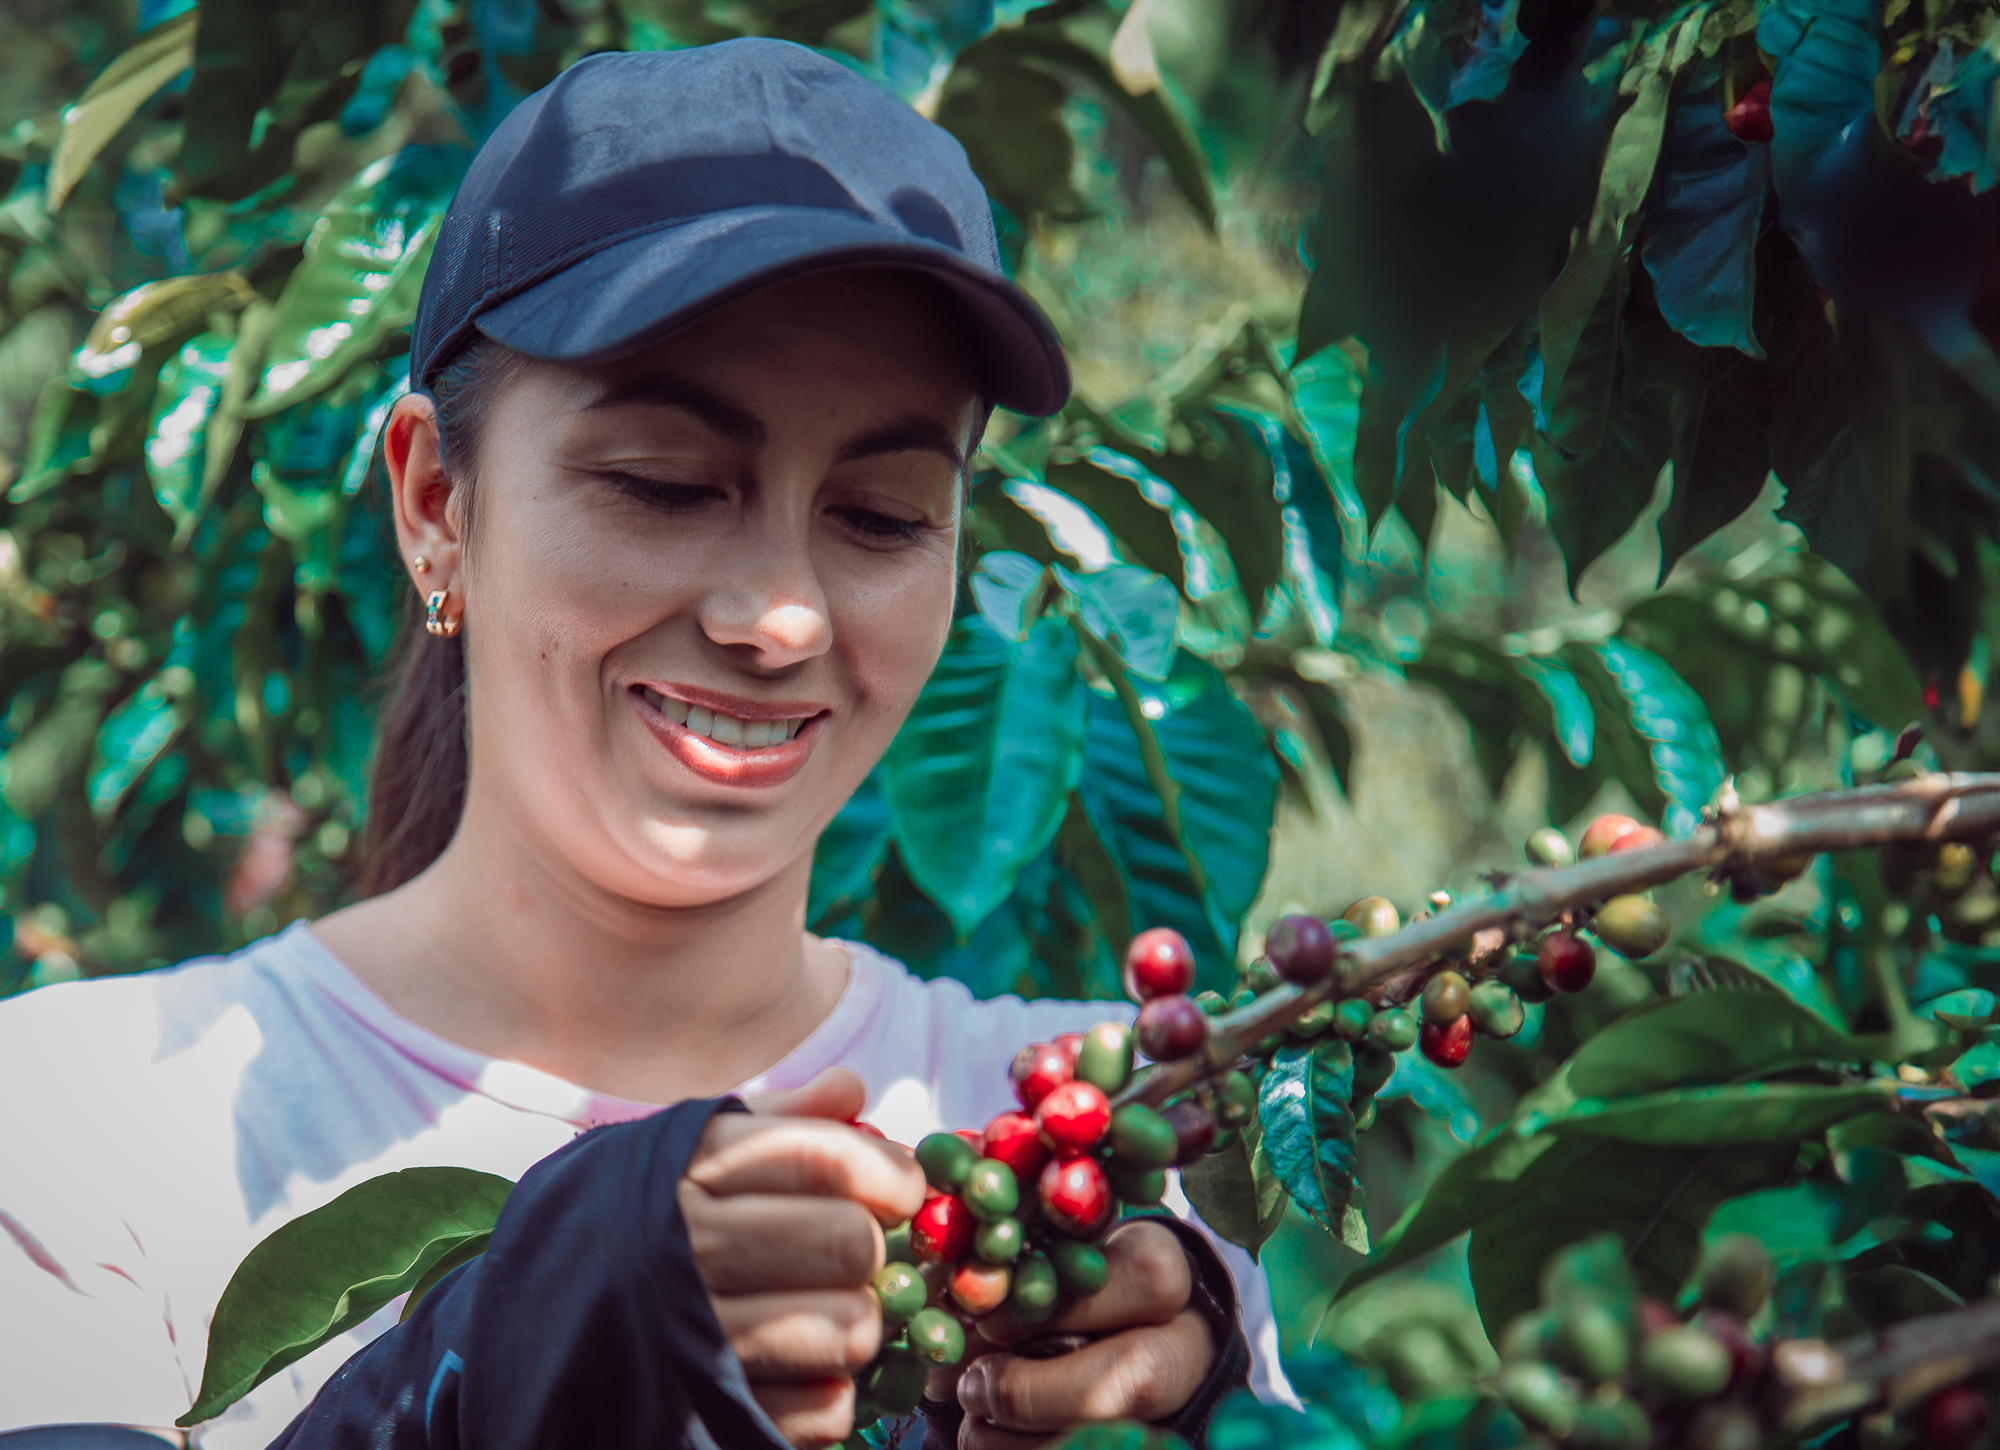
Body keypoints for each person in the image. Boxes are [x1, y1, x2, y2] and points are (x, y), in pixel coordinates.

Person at [0, 39, 1295, 1448]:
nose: (779, 613)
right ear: (438, 501)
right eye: (663, 485)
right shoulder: (85, 1128)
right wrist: (510, 1345)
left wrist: (1208, 1396)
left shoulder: (1086, 1139)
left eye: (881, 516)